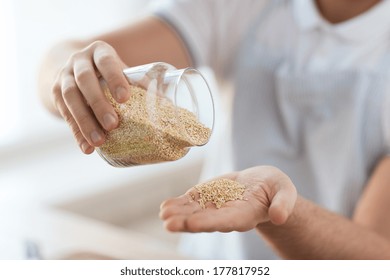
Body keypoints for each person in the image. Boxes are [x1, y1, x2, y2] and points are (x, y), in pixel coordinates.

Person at [38, 0, 390, 259]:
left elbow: (376, 257)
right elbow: (59, 59)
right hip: (204, 262)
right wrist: (69, 73)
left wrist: (281, 210)